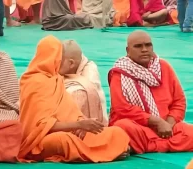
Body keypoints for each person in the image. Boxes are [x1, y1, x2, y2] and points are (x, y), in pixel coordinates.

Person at [18, 35, 130, 163]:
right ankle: (104, 153)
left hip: (71, 131)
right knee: (64, 140)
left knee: (116, 133)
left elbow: (69, 111)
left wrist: (81, 124)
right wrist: (78, 125)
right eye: (58, 56)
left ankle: (102, 151)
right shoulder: (33, 81)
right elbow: (42, 126)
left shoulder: (56, 79)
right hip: (39, 142)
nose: (59, 61)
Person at [108, 30, 193, 154]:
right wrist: (156, 121)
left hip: (168, 128)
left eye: (148, 45)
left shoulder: (164, 67)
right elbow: (121, 108)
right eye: (138, 46)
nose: (144, 49)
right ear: (128, 50)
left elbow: (179, 101)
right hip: (140, 128)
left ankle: (148, 146)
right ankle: (166, 145)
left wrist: (168, 124)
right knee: (122, 127)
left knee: (189, 131)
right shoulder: (119, 73)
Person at [59, 40, 108, 126]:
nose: (53, 63)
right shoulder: (61, 70)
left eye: (57, 61)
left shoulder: (88, 77)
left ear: (71, 63)